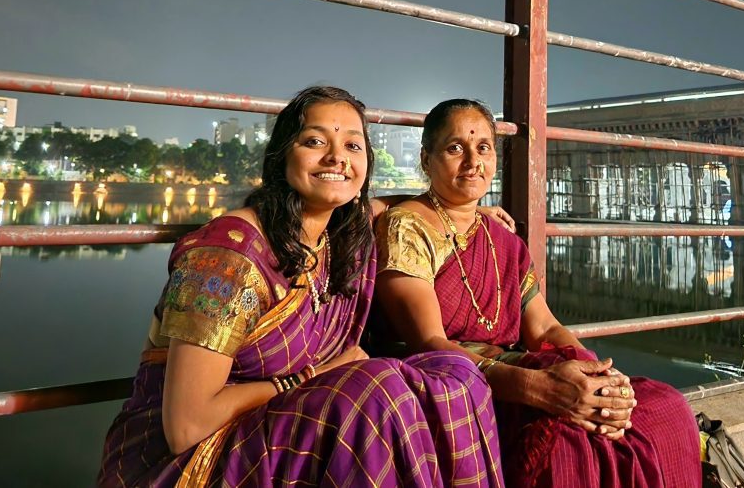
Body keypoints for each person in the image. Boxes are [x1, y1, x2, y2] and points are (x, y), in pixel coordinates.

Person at [99, 87, 504, 488]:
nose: (337, 158)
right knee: (378, 391)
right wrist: (316, 375)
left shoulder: (340, 234)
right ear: (281, 156)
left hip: (288, 422)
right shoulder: (227, 260)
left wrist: (465, 206)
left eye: (352, 145)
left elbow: (403, 203)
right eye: (315, 141)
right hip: (198, 457)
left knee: (456, 373)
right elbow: (186, 427)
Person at [372, 98, 702, 488]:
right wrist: (539, 388)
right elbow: (430, 343)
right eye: (455, 148)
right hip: (460, 386)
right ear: (427, 159)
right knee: (565, 440)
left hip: (519, 369)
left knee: (665, 407)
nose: (472, 162)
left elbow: (544, 328)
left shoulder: (504, 241)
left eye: (483, 148)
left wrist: (600, 381)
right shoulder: (407, 227)